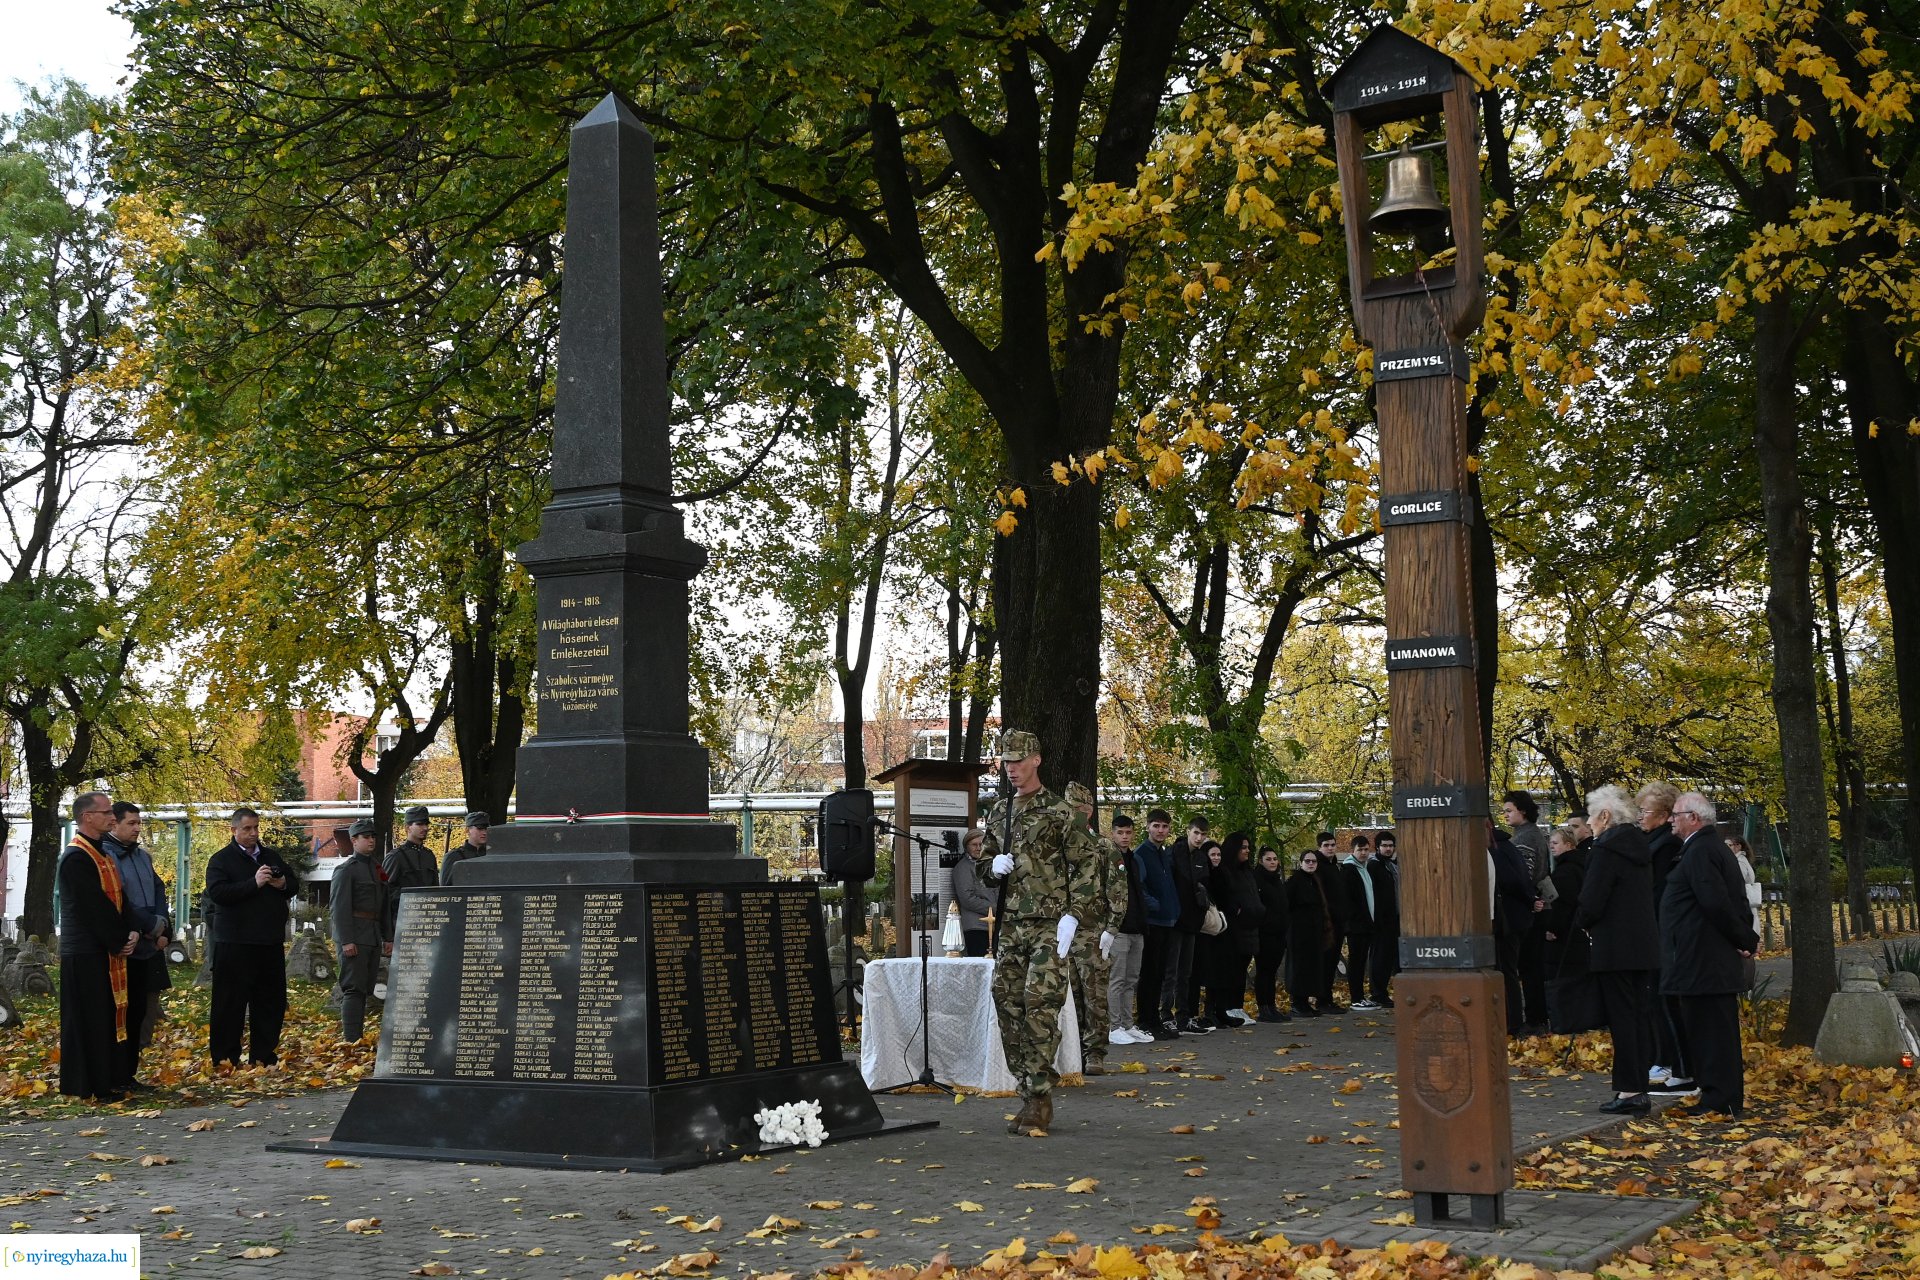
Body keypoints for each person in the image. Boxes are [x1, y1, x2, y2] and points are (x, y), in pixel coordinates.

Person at [975, 730, 1099, 1135]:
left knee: (1039, 1004)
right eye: (1006, 761)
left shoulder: (1061, 812)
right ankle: (1027, 1087)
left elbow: (1087, 867)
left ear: (1036, 761)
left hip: (1051, 925)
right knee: (1006, 1000)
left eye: (1018, 760)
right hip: (1011, 924)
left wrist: (1073, 915)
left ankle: (1040, 1096)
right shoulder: (999, 812)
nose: (1011, 768)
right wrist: (991, 868)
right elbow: (984, 862)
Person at [1662, 793, 1759, 1118]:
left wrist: (1745, 938)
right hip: (1703, 960)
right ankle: (1718, 1096)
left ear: (1694, 817)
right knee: (1710, 1030)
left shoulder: (1701, 850)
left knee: (1712, 1033)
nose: (1671, 819)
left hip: (1704, 961)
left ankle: (1720, 1099)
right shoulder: (1705, 848)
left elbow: (1716, 902)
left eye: (1676, 814)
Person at [1573, 785, 1658, 1114]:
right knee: (1637, 1017)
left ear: (1605, 816)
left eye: (1593, 817)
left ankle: (1629, 1091)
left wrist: (1582, 921)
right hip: (1642, 945)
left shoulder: (1606, 848)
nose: (1590, 824)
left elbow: (1592, 900)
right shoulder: (1638, 846)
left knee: (1623, 1020)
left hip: (1614, 947)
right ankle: (1638, 1087)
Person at [58, 792, 139, 1101]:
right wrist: (118, 939)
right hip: (85, 952)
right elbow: (93, 907)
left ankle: (109, 1079)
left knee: (106, 1016)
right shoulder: (77, 857)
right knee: (88, 1019)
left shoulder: (103, 853)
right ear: (87, 817)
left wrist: (130, 931)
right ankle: (88, 1085)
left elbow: (120, 898)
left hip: (105, 950)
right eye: (106, 812)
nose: (112, 817)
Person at [205, 806, 300, 1067]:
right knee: (230, 1003)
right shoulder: (221, 860)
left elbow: (293, 883)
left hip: (268, 942)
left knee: (270, 1002)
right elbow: (218, 894)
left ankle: (263, 1055)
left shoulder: (270, 856)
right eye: (247, 828)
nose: (253, 833)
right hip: (234, 943)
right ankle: (225, 1058)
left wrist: (282, 885)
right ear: (233, 830)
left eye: (256, 828)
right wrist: (254, 883)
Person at [103, 801, 172, 1090]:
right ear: (114, 824)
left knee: (142, 1010)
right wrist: (147, 926)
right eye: (131, 823)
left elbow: (158, 889)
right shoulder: (106, 856)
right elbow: (121, 901)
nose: (137, 828)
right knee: (122, 1011)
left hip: (149, 945)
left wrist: (162, 925)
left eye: (138, 823)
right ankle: (115, 1074)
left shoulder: (143, 856)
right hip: (125, 946)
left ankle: (130, 1073)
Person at [1062, 782, 1126, 1074]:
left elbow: (1118, 889)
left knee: (1094, 995)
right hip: (1062, 933)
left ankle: (1095, 1053)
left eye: (1075, 809)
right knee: (1066, 996)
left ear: (1087, 811)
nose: (1070, 814)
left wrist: (1112, 929)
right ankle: (1070, 1053)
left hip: (1092, 931)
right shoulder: (1056, 845)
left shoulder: (1104, 847)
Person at [1636, 781, 1689, 1092]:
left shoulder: (1666, 845)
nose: (1641, 816)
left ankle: (1666, 1059)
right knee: (1652, 997)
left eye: (1646, 811)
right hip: (1651, 928)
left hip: (1659, 928)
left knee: (1661, 997)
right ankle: (1660, 1056)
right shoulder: (1650, 840)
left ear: (1666, 815)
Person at [331, 819, 392, 1043]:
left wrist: (387, 937)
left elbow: (383, 907)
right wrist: (346, 940)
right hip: (355, 936)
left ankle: (358, 1037)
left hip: (372, 936)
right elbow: (339, 908)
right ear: (354, 841)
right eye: (366, 837)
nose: (371, 840)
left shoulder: (377, 869)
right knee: (353, 989)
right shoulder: (346, 870)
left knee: (366, 988)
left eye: (373, 837)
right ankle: (351, 1039)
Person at [1503, 790, 1554, 1035]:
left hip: (1530, 908)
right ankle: (1537, 1016)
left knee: (1527, 966)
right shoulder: (1532, 834)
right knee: (1531, 967)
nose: (1505, 815)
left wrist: (1528, 897)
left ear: (1522, 810)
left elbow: (1525, 873)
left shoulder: (1525, 838)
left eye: (1509, 810)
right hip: (1537, 904)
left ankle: (1535, 1018)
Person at [1103, 813, 1151, 1045]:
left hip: (1137, 927)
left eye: (1128, 832)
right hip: (1118, 929)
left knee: (1132, 978)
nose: (1124, 836)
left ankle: (1128, 1024)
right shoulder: (1107, 857)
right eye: (1120, 832)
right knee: (1117, 979)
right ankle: (1114, 1027)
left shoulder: (1134, 859)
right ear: (1112, 833)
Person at [1132, 809, 1180, 1039]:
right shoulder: (1141, 853)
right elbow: (1140, 888)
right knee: (1149, 973)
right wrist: (1156, 905)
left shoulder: (1164, 853)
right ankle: (1145, 1019)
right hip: (1153, 921)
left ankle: (1155, 1019)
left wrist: (1173, 907)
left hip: (1168, 921)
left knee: (1161, 973)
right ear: (1148, 827)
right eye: (1156, 826)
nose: (1160, 831)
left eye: (1164, 827)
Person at [1489, 820, 1539, 1035]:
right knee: (1510, 969)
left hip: (1506, 919)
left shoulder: (1496, 849)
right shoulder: (1508, 846)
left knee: (1506, 970)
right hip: (1516, 916)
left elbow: (1510, 880)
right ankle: (1513, 1020)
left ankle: (1512, 1022)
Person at [1211, 833, 1264, 1027]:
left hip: (1250, 926)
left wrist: (1257, 911)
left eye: (1248, 847)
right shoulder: (1226, 871)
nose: (1247, 851)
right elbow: (1226, 898)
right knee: (1231, 970)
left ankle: (1236, 1005)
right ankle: (1227, 1006)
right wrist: (1238, 910)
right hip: (1234, 928)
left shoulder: (1246, 871)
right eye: (1243, 847)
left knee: (1241, 969)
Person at [1165, 817, 1212, 1033]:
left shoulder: (1202, 857)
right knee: (1171, 971)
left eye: (1203, 834)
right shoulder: (1174, 853)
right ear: (1188, 831)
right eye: (1196, 833)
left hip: (1193, 922)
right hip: (1175, 920)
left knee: (1186, 972)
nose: (1199, 838)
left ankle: (1184, 1017)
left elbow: (1204, 887)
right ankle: (1166, 1015)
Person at [1541, 824, 1590, 987]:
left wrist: (1552, 928)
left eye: (1555, 843)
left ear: (1568, 845)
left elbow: (1562, 904)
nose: (1551, 846)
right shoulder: (1580, 866)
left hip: (1564, 937)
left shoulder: (1565, 871)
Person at [1285, 850, 1332, 1016]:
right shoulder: (1295, 881)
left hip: (1313, 932)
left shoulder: (1314, 880)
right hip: (1298, 933)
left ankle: (1304, 1002)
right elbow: (1287, 905)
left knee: (1311, 967)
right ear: (1301, 862)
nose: (1311, 864)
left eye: (1313, 861)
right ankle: (1297, 1002)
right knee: (1299, 967)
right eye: (1308, 861)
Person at [384, 805, 440, 938]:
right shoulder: (395, 857)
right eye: (419, 824)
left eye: (426, 824)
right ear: (407, 827)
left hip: (427, 922)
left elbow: (435, 889)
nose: (425, 828)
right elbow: (386, 892)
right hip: (403, 922)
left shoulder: (429, 856)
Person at [1252, 847, 1291, 1022]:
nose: (1273, 862)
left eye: (1275, 859)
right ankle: (1264, 1008)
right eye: (1268, 859)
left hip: (1279, 933)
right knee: (1264, 971)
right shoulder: (1257, 879)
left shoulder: (1277, 880)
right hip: (1264, 933)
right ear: (1261, 861)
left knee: (1272, 971)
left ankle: (1271, 1006)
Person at [1313, 832, 1350, 1011]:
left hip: (1338, 922)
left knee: (1332, 961)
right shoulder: (1318, 866)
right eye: (1326, 845)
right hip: (1326, 923)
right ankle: (1322, 1000)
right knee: (1324, 963)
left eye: (1332, 845)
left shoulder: (1333, 866)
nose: (1330, 848)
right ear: (1320, 847)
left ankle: (1327, 998)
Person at [951, 829, 997, 957]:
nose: (978, 848)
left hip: (994, 926)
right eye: (974, 845)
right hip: (976, 927)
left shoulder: (990, 865)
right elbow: (967, 899)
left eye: (981, 844)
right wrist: (995, 909)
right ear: (967, 847)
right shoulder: (962, 868)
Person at [440, 812, 491, 884]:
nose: (484, 832)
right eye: (480, 829)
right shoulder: (454, 857)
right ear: (467, 830)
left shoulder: (491, 855)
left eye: (486, 829)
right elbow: (445, 889)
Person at [1726, 834, 1763, 933]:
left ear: (1738, 846)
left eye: (1729, 845)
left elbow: (1737, 882)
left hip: (1744, 903)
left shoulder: (1739, 862)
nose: (1726, 848)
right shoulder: (1739, 860)